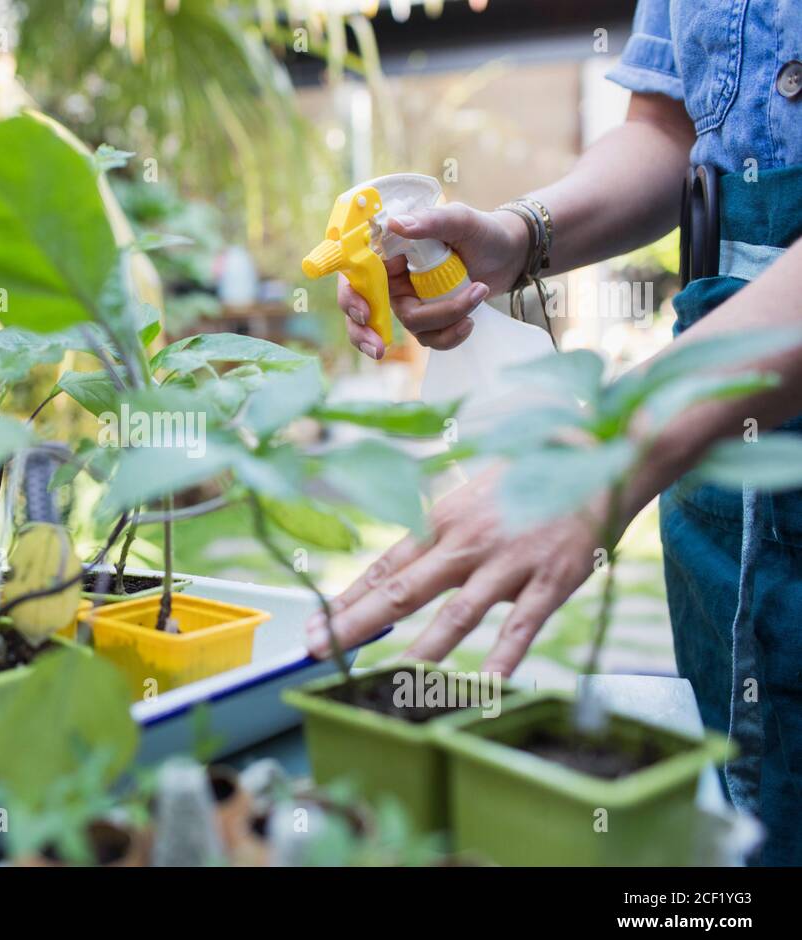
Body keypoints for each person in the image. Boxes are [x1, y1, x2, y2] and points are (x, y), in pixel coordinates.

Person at [308, 1, 802, 865]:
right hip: (718, 468)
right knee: (729, 824)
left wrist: (610, 454)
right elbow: (667, 124)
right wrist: (516, 235)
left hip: (699, 410)